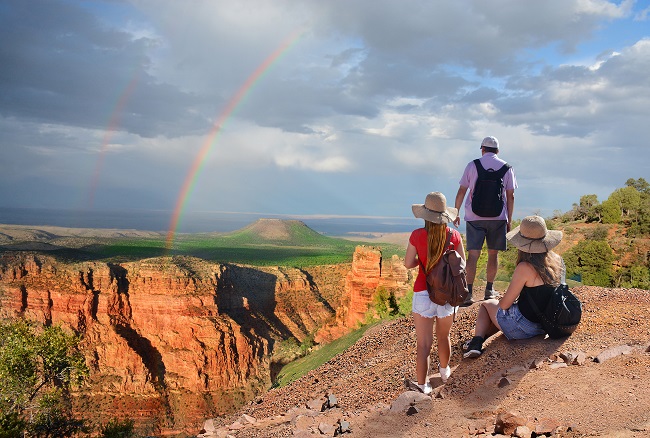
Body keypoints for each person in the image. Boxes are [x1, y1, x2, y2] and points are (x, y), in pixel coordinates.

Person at [462, 215, 564, 358]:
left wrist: (502, 300)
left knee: (487, 304)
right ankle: (478, 340)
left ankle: (476, 343)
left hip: (524, 328)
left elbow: (504, 306)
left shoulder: (525, 267)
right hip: (546, 324)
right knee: (499, 313)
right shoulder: (557, 261)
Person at [404, 192, 466, 393]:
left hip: (423, 292)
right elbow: (462, 264)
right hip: (446, 294)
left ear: (425, 215)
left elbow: (407, 263)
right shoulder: (454, 235)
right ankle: (444, 371)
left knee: (423, 344)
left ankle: (423, 385)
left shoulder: (417, 235)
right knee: (443, 336)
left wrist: (422, 263)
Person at [453, 136, 517, 305]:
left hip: (474, 217)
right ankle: (489, 290)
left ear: (482, 149)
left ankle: (469, 293)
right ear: (497, 151)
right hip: (498, 218)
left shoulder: (472, 165)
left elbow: (461, 191)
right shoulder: (507, 168)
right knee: (493, 254)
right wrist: (509, 219)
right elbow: (510, 196)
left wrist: (456, 212)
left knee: (473, 255)